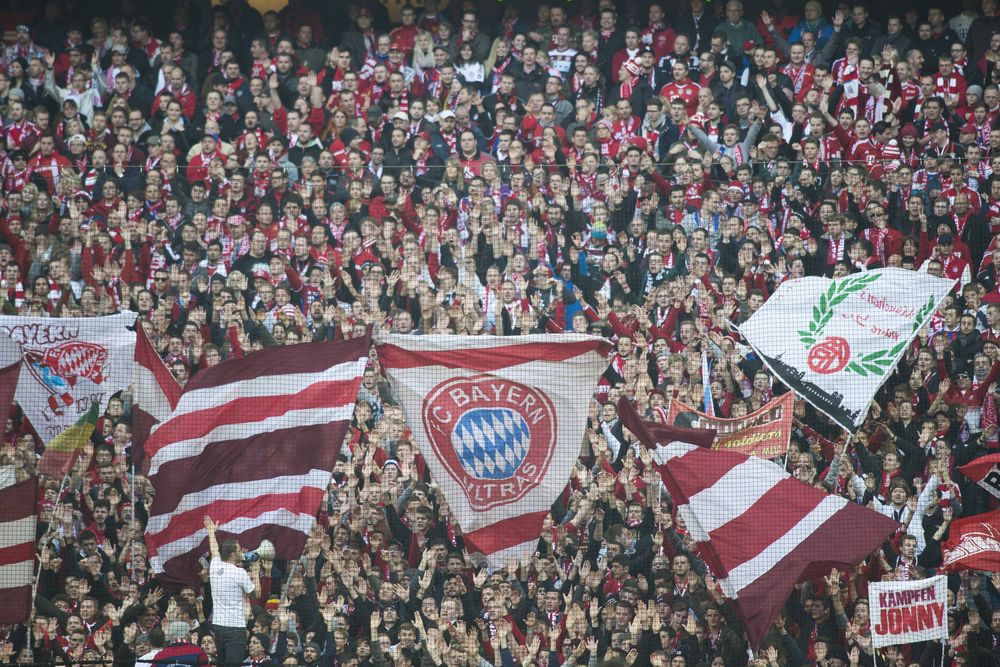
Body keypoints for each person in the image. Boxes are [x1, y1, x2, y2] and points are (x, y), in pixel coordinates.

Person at [204, 515, 259, 666]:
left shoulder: (214, 566)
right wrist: (256, 572)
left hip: (218, 628)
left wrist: (211, 532)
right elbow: (256, 594)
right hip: (235, 628)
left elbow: (214, 550)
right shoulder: (239, 572)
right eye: (240, 550)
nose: (242, 552)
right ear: (233, 555)